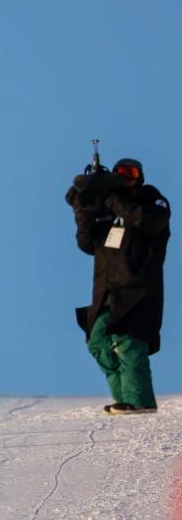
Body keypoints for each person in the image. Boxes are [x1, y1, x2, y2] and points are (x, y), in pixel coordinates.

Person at [65, 158, 170, 415]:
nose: (127, 177)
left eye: (131, 172)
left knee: (129, 341)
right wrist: (84, 204)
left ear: (140, 176)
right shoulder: (108, 213)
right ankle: (125, 400)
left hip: (138, 289)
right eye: (120, 173)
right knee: (98, 342)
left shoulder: (152, 200)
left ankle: (139, 401)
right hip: (107, 291)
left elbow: (149, 221)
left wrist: (113, 197)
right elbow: (86, 242)